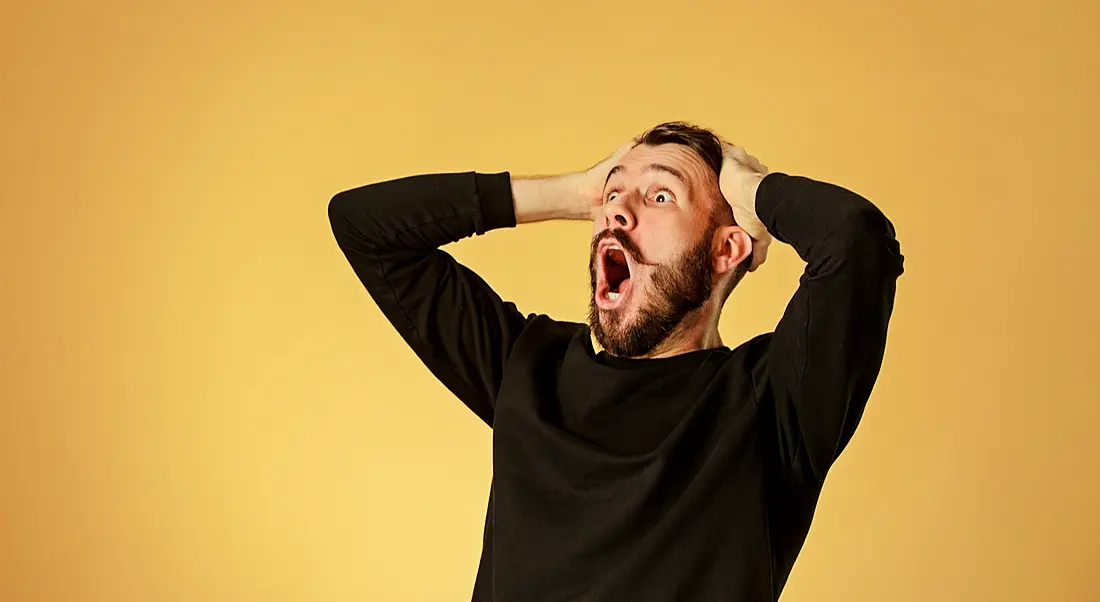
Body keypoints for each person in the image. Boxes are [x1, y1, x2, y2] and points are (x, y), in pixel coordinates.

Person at [327, 121, 904, 602]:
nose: (618, 212)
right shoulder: (528, 368)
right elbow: (366, 226)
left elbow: (856, 241)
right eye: (613, 194)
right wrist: (575, 191)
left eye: (661, 197)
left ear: (727, 249)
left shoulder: (771, 406)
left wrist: (749, 188)